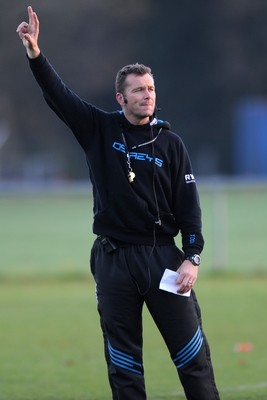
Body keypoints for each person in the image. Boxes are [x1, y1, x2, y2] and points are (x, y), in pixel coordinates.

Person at [17, 6, 220, 400]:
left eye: (151, 89)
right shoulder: (98, 129)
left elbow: (189, 205)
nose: (148, 95)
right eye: (139, 90)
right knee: (124, 365)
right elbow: (59, 96)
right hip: (114, 260)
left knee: (193, 359)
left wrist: (192, 256)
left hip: (163, 259)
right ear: (120, 97)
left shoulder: (171, 143)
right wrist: (35, 54)